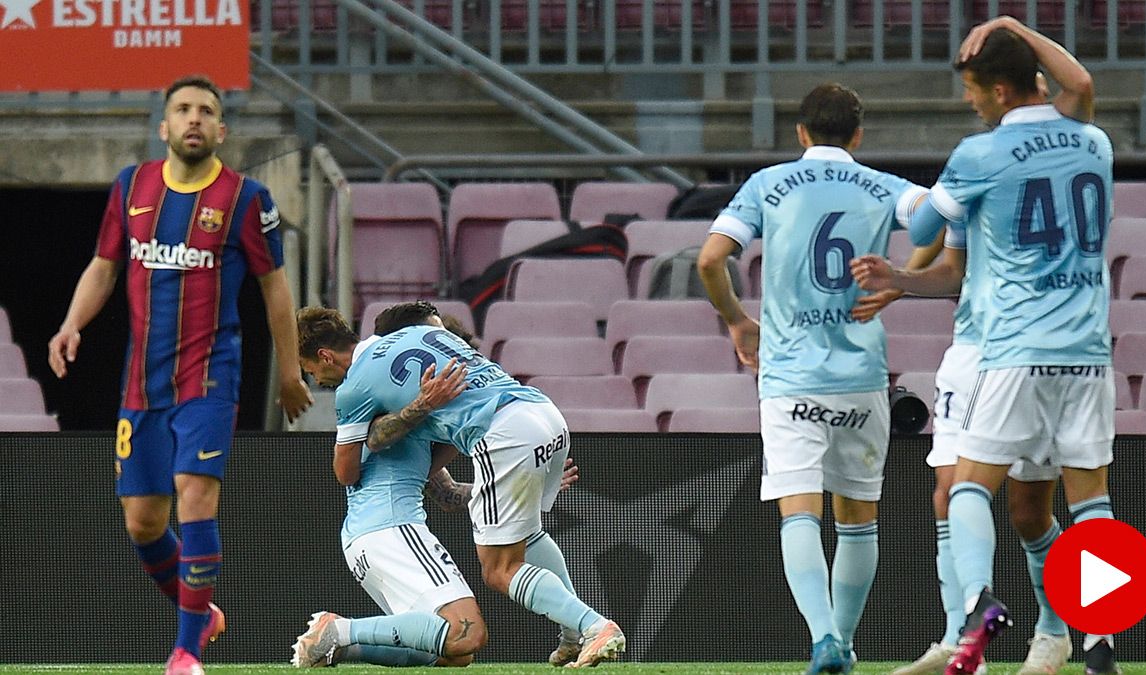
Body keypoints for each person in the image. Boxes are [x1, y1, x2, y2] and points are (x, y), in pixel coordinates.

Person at [854, 22, 1117, 675]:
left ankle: (977, 608)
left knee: (967, 488)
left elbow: (921, 222)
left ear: (999, 88)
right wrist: (907, 283)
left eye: (973, 89)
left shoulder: (979, 157)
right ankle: (1100, 638)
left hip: (1014, 348)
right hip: (1087, 351)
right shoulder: (1094, 139)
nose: (970, 102)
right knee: (1091, 502)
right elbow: (1080, 82)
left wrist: (918, 223)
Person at [46, 74, 313, 675]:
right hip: (141, 386)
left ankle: (186, 652)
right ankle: (203, 615)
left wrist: (289, 369)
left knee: (196, 498)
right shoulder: (131, 187)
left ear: (222, 130)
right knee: (143, 523)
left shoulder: (247, 199)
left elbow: (275, 288)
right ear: (164, 126)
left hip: (210, 379)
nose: (195, 119)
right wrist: (70, 325)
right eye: (183, 109)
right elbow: (103, 266)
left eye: (207, 111)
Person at [696, 82, 930, 674]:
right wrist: (901, 280)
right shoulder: (885, 186)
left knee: (799, 510)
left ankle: (823, 639)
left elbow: (708, 259)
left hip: (792, 375)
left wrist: (737, 321)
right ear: (857, 135)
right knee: (858, 517)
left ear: (800, 133)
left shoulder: (768, 184)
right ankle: (845, 645)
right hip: (862, 375)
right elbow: (943, 224)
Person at [294, 303, 625, 669]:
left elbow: (440, 491)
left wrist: (512, 482)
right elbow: (362, 458)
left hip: (482, 453)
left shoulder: (369, 386)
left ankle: (586, 629)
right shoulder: (406, 384)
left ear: (323, 357)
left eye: (308, 370)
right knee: (473, 617)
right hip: (542, 416)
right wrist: (423, 405)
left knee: (464, 635)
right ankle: (339, 633)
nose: (315, 379)